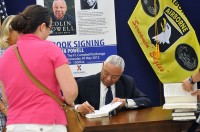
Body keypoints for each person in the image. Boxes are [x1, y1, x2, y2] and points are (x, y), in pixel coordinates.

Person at [0, 5, 78, 132]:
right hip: (48, 123)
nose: (49, 32)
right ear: (42, 27)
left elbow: (6, 98)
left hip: (15, 125)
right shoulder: (51, 49)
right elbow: (70, 93)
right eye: (50, 28)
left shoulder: (5, 56)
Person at [75, 55, 152, 115]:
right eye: (106, 73)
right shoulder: (83, 83)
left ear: (121, 73)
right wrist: (78, 108)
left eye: (114, 77)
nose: (109, 79)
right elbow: (69, 107)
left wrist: (125, 102)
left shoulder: (127, 82)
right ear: (102, 66)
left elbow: (146, 101)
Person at [0, 15, 19, 132]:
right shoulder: (2, 55)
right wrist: (8, 114)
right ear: (9, 31)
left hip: (20, 118)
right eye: (20, 30)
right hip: (5, 119)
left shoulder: (22, 53)